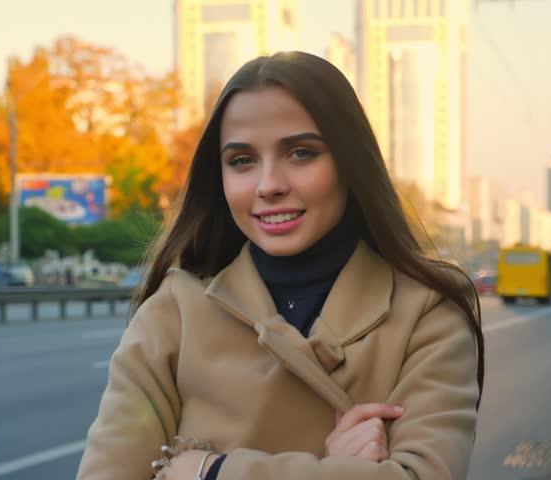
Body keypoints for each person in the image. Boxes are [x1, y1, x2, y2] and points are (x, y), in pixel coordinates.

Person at [77, 51, 484, 480]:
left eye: (301, 153)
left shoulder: (429, 311)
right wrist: (339, 472)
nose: (269, 185)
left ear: (349, 162)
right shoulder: (174, 310)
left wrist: (209, 471)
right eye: (241, 161)